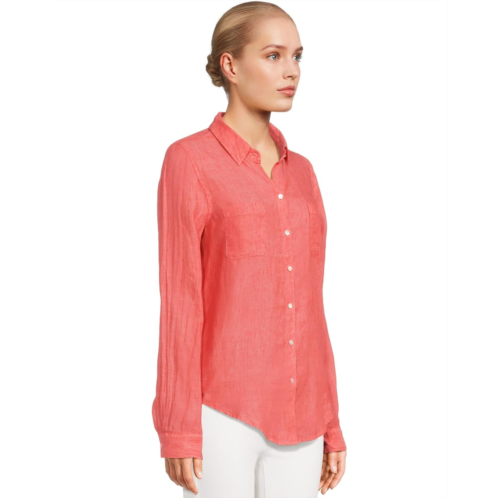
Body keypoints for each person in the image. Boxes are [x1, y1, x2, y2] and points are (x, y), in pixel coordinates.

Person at [152, 2, 347, 496]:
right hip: (223, 413)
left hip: (302, 415)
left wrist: (331, 420)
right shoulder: (189, 160)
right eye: (274, 55)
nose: (292, 71)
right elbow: (181, 302)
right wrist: (178, 428)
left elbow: (310, 305)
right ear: (231, 66)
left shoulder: (303, 173)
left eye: (297, 56)